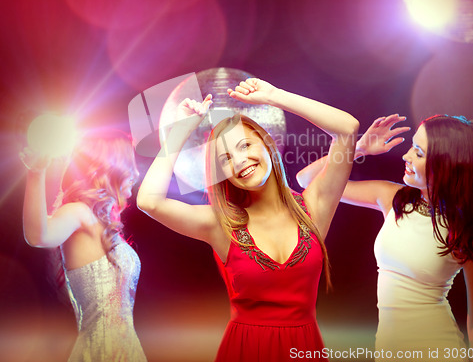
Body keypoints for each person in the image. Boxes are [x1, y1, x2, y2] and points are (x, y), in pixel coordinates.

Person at [137, 77, 359, 362]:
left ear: (268, 144)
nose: (239, 161)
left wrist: (276, 96)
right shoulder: (220, 224)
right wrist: (179, 131)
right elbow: (149, 201)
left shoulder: (315, 207)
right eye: (226, 159)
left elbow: (347, 129)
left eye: (245, 146)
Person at [297, 114, 473, 362]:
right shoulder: (393, 199)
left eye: (419, 153)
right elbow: (307, 180)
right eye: (412, 147)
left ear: (447, 164)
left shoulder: (467, 227)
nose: (406, 156)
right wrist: (359, 148)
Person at [21, 131, 147, 362]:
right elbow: (38, 235)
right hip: (101, 353)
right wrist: (36, 172)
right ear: (111, 166)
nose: (136, 173)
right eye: (130, 164)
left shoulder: (105, 222)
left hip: (127, 349)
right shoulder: (79, 212)